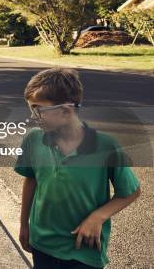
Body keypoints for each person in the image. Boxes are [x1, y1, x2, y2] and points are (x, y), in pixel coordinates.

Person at [15, 67, 141, 268]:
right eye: (31, 109)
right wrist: (24, 225)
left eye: (38, 110)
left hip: (84, 249)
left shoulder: (106, 146)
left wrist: (98, 217)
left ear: (65, 111)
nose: (33, 117)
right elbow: (31, 178)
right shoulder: (33, 139)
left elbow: (131, 191)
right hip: (42, 244)